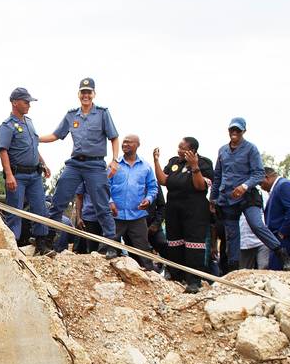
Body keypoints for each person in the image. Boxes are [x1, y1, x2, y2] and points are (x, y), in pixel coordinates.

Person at [41, 77, 120, 258]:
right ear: (78, 94)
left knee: (101, 205)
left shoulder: (102, 113)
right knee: (58, 200)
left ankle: (111, 244)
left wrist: (115, 160)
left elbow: (114, 137)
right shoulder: (71, 115)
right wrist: (35, 138)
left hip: (95, 165)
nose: (86, 95)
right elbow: (55, 135)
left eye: (89, 92)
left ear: (94, 94)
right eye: (83, 92)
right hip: (75, 164)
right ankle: (48, 239)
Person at [210, 117, 290, 271]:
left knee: (257, 224)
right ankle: (233, 268)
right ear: (228, 131)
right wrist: (213, 199)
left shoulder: (251, 149)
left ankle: (281, 254)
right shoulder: (222, 150)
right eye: (232, 130)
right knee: (232, 234)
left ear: (243, 131)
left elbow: (259, 174)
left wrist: (244, 186)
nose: (234, 133)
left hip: (247, 196)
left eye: (238, 130)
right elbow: (218, 176)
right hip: (227, 197)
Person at [152, 136, 214, 293]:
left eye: (182, 148)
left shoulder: (204, 162)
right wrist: (156, 161)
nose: (178, 150)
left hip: (194, 211)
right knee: (174, 243)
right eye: (178, 147)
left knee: (194, 245)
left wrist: (195, 167)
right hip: (173, 209)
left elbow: (200, 186)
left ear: (192, 151)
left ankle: (194, 281)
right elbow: (163, 180)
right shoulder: (174, 162)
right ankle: (176, 276)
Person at [0, 87, 51, 252]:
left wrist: (43, 163)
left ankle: (41, 244)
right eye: (26, 102)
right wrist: (9, 175)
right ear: (15, 102)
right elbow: (3, 151)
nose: (29, 105)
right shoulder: (7, 126)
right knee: (15, 212)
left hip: (34, 175)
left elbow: (33, 146)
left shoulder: (29, 122)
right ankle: (12, 247)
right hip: (17, 175)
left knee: (40, 209)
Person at [109, 134, 158, 269]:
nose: (125, 145)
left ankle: (150, 275)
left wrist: (148, 199)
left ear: (137, 145)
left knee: (143, 249)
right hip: (115, 214)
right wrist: (110, 201)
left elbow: (153, 187)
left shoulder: (146, 167)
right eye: (124, 142)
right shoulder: (114, 165)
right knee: (109, 248)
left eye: (129, 142)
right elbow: (105, 185)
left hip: (137, 215)